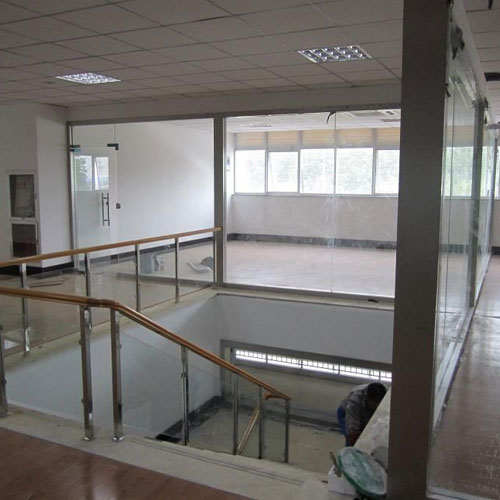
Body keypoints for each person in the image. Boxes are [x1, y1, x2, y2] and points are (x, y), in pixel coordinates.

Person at [337, 382, 387, 447]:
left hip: (366, 411)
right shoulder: (354, 404)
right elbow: (352, 433)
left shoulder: (386, 396)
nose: (377, 407)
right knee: (352, 440)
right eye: (374, 405)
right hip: (345, 413)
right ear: (368, 399)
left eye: (379, 404)